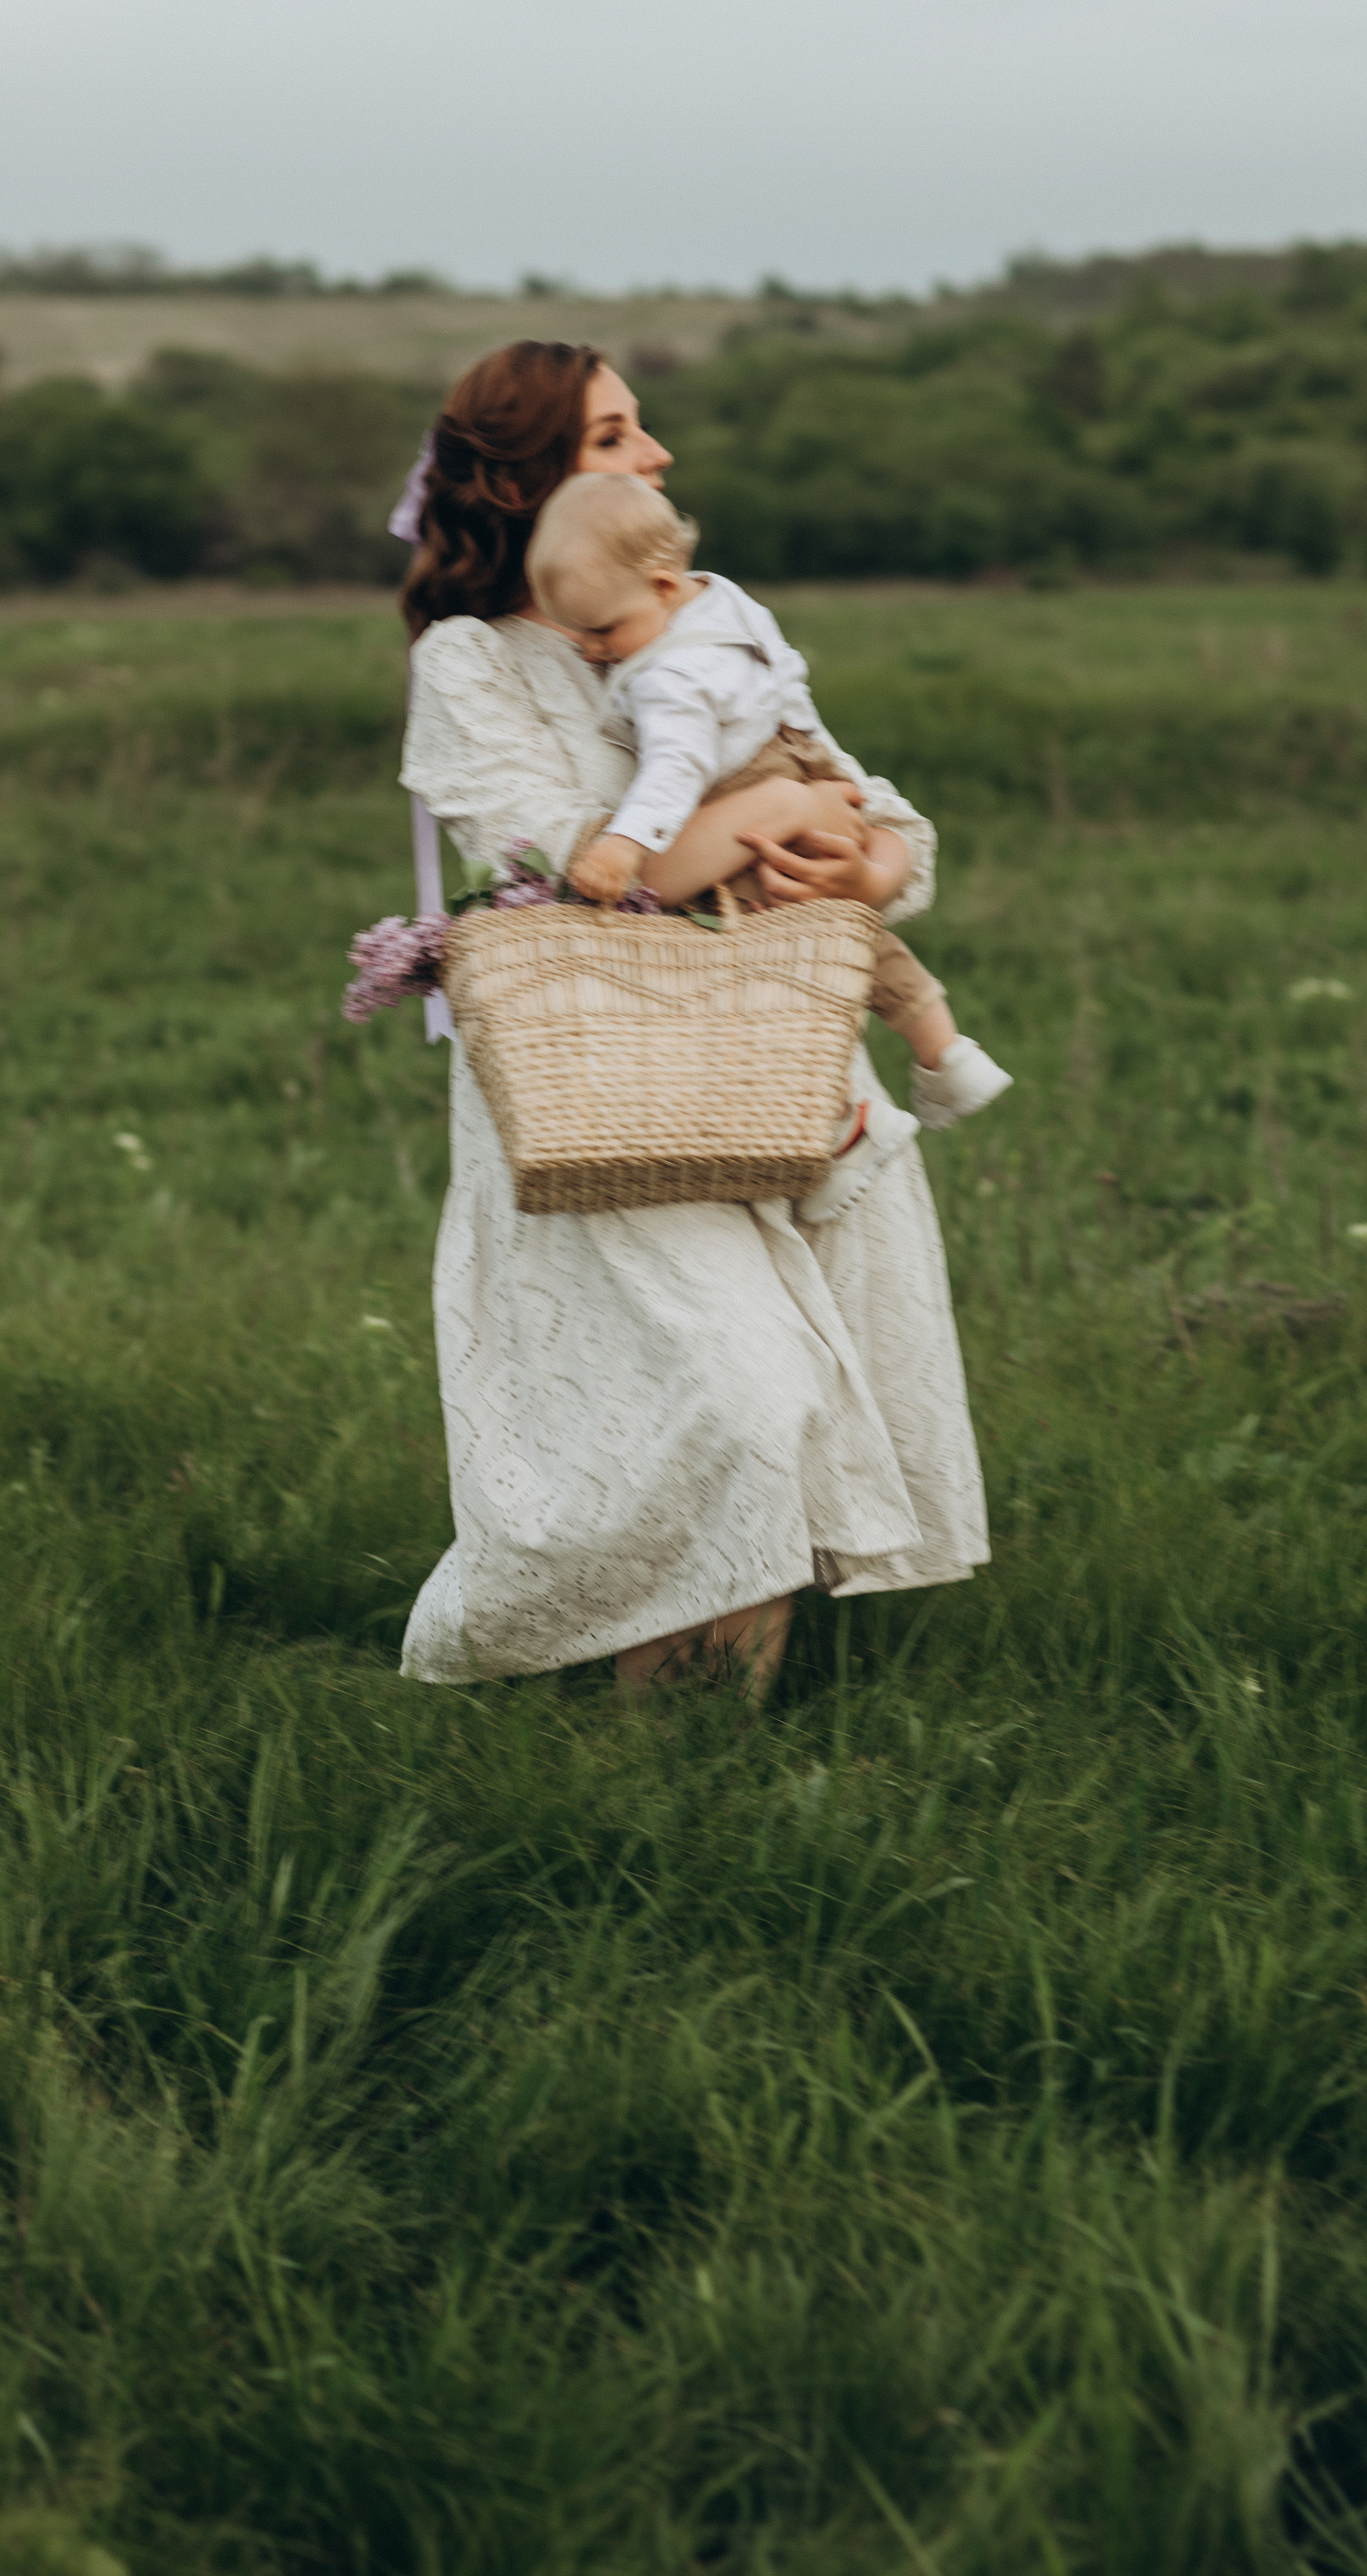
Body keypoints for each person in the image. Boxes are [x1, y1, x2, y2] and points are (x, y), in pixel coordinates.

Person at [394, 339, 987, 1694]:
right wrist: (773, 812)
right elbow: (583, 868)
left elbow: (874, 811)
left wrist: (863, 866)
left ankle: (703, 1759)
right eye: (615, 435)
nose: (656, 454)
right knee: (734, 1395)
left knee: (797, 1404)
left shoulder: (703, 614)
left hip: (774, 1060)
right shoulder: (472, 664)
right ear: (525, 479)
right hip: (592, 1083)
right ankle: (608, 1719)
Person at [525, 470, 1011, 1221]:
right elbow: (787, 677)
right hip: (798, 757)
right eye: (577, 635)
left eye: (603, 632)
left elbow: (675, 770)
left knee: (771, 962)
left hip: (746, 799)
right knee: (842, 931)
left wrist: (625, 844)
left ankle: (845, 1126)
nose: (591, 651)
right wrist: (817, 767)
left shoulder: (667, 677)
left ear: (661, 586)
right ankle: (944, 1050)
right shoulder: (721, 599)